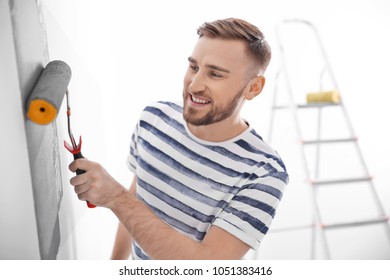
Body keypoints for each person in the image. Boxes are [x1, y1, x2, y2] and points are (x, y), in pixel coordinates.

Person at [69, 18, 289, 260]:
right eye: (194, 67)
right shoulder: (153, 119)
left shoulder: (264, 173)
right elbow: (135, 204)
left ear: (254, 87)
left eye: (215, 74)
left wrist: (115, 198)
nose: (194, 85)